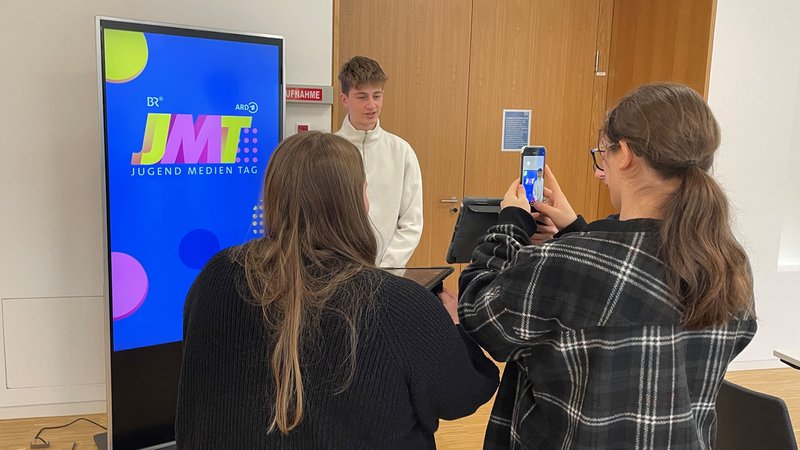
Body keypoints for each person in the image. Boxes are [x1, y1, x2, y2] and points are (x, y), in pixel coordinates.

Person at [459, 83, 757, 449]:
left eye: (604, 154)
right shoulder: (727, 264)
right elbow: (632, 289)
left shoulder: (569, 264)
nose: (603, 168)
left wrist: (511, 223)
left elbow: (481, 313)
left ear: (626, 154)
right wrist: (576, 231)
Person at [176, 132, 498, 449]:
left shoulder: (216, 276)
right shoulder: (399, 306)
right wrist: (454, 326)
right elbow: (464, 395)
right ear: (358, 201)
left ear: (272, 197)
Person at [335, 56, 423, 268]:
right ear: (344, 99)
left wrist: (386, 269)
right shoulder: (329, 151)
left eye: (377, 95)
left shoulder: (401, 151)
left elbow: (411, 222)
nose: (371, 105)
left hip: (389, 276)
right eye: (362, 97)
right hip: (338, 275)